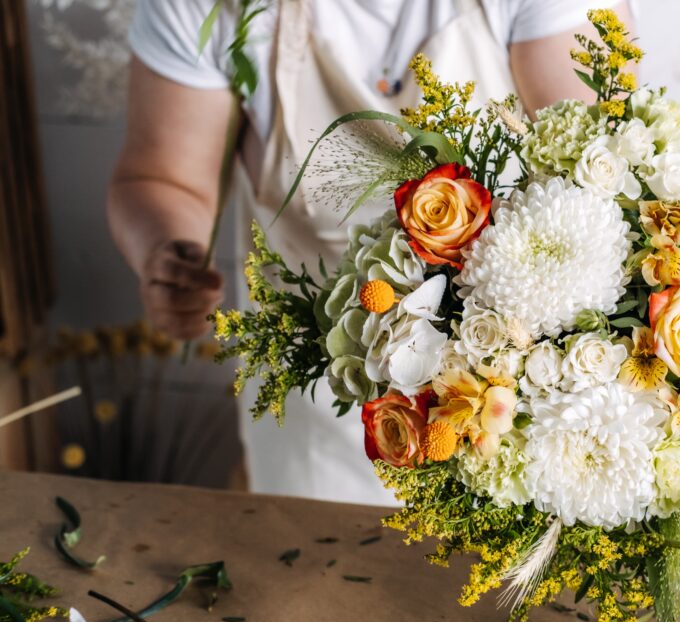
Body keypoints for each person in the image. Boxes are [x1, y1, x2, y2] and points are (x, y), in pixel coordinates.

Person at [108, 0, 636, 504]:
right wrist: (167, 251)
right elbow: (162, 177)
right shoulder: (209, 9)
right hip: (314, 403)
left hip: (508, 400)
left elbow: (599, 172)